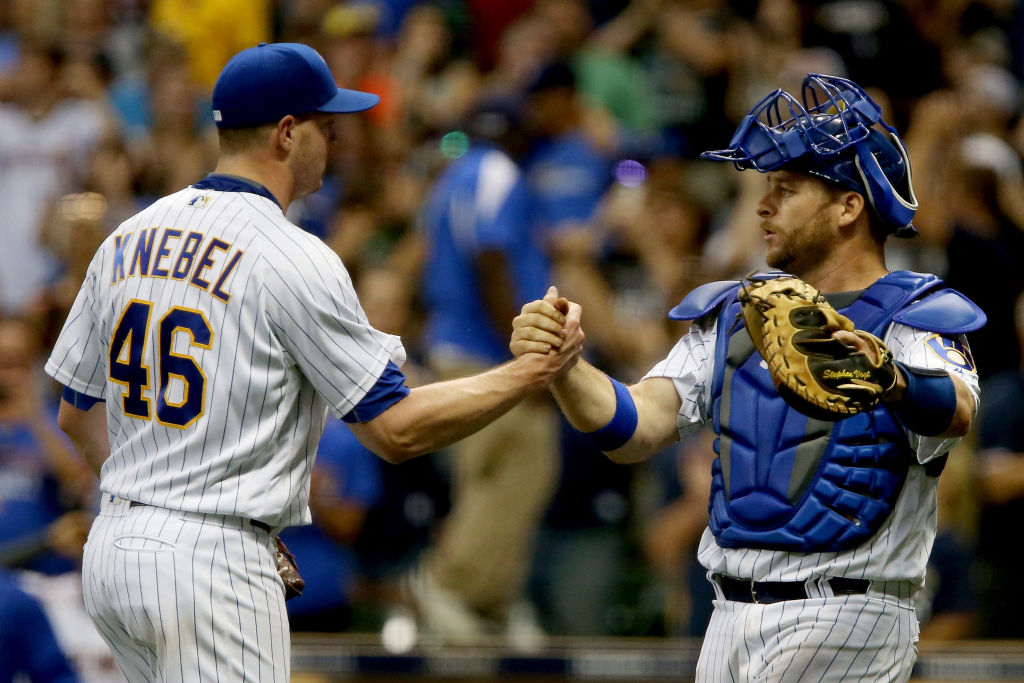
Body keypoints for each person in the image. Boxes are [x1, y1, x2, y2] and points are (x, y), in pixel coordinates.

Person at [44, 42, 582, 682]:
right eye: (326, 127)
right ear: (286, 133)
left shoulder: (127, 237)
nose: (336, 140)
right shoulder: (292, 254)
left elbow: (75, 412)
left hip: (114, 551)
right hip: (211, 561)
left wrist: (151, 498)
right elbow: (395, 428)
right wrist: (530, 372)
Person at [511, 73, 984, 681]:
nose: (763, 206)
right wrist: (564, 366)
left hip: (846, 613)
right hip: (726, 615)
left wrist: (890, 379)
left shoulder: (914, 312)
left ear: (849, 205)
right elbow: (637, 424)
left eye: (785, 189)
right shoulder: (737, 311)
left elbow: (959, 409)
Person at [406, 93, 559, 647]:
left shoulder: (452, 178)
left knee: (486, 478)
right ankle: (450, 584)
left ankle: (491, 602)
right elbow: (491, 258)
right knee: (523, 466)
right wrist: (527, 359)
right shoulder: (497, 173)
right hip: (488, 349)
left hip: (458, 342)